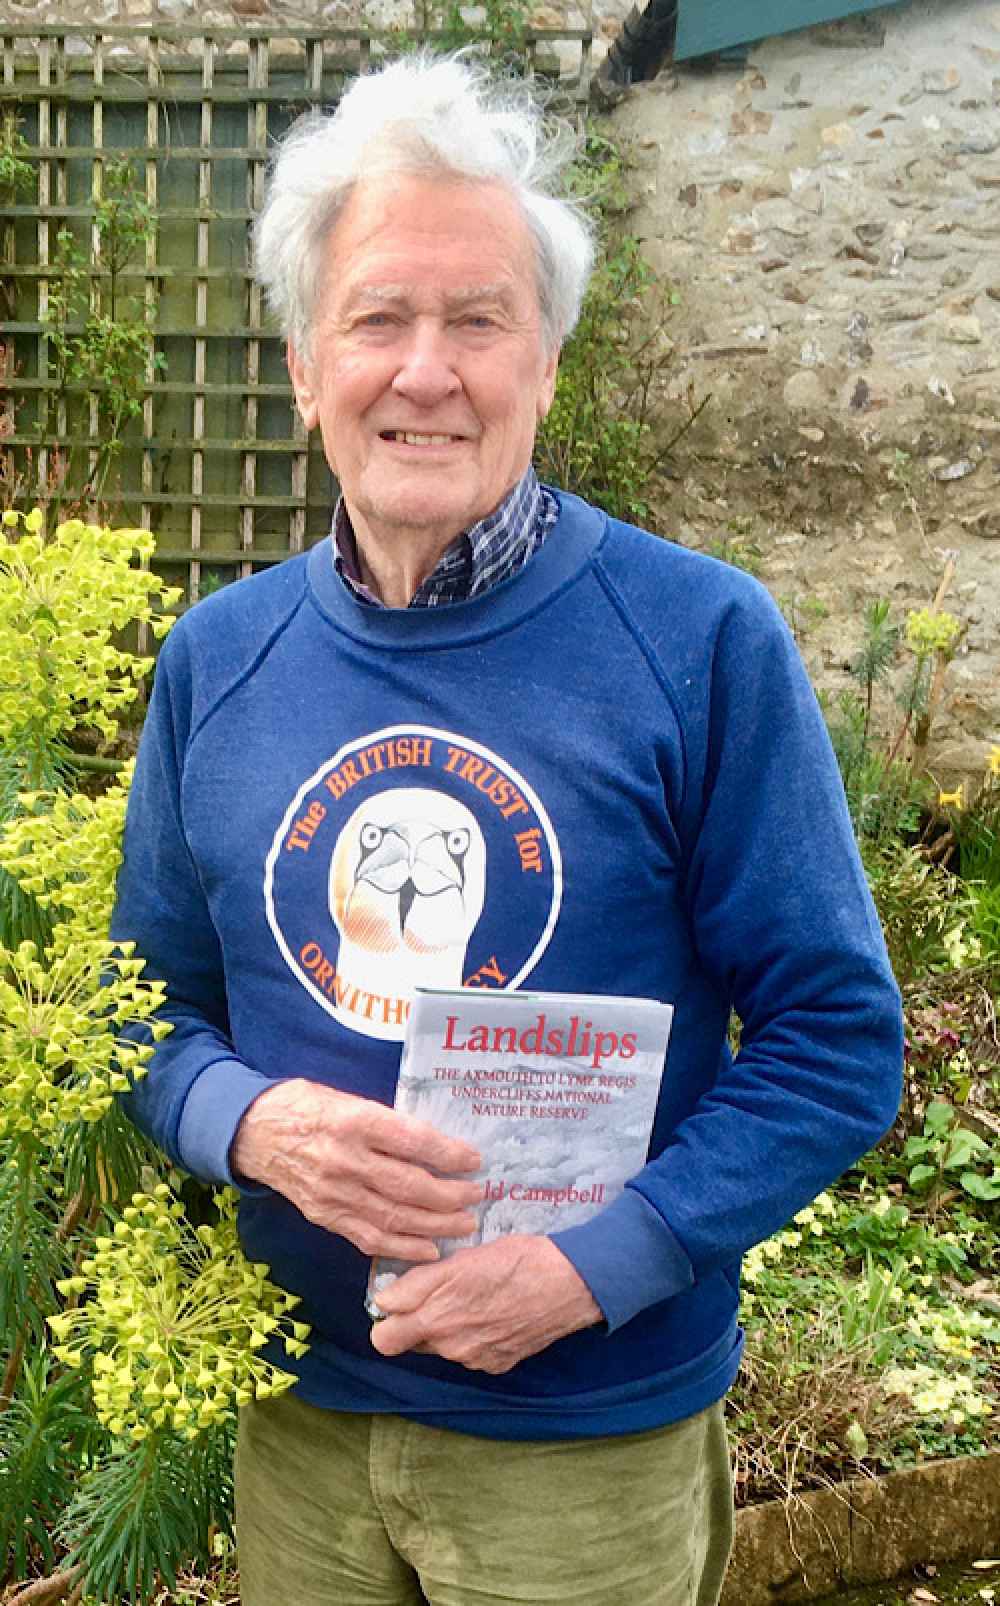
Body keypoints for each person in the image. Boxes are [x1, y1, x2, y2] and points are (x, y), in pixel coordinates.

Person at [112, 51, 903, 1606]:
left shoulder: (698, 639)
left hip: (583, 1453)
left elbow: (837, 1041)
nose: (427, 370)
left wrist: (583, 1269)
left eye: (479, 319)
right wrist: (248, 1124)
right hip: (303, 1422)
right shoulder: (220, 658)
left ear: (546, 358)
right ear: (299, 362)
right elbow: (145, 1008)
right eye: (379, 319)